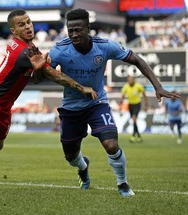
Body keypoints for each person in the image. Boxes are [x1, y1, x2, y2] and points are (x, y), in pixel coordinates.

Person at [0, 9, 97, 193]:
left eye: (29, 22)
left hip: (4, 107)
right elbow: (53, 74)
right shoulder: (23, 53)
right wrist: (81, 88)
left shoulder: (29, 49)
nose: (28, 26)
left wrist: (39, 69)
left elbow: (38, 76)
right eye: (21, 24)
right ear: (14, 31)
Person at [47, 8, 180, 197]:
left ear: (88, 28)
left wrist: (157, 86)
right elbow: (40, 76)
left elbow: (137, 60)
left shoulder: (105, 46)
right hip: (71, 107)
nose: (74, 34)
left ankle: (123, 184)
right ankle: (83, 167)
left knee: (111, 144)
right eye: (71, 30)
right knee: (70, 155)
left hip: (96, 103)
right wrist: (38, 67)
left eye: (79, 30)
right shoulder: (59, 49)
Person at [120, 75, 148, 143]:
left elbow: (144, 94)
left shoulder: (138, 86)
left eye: (131, 79)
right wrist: (122, 101)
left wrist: (146, 104)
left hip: (137, 104)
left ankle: (133, 135)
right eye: (129, 80)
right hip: (130, 105)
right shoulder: (126, 86)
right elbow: (123, 94)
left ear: (134, 80)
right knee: (133, 120)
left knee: (134, 118)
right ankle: (138, 135)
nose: (130, 81)